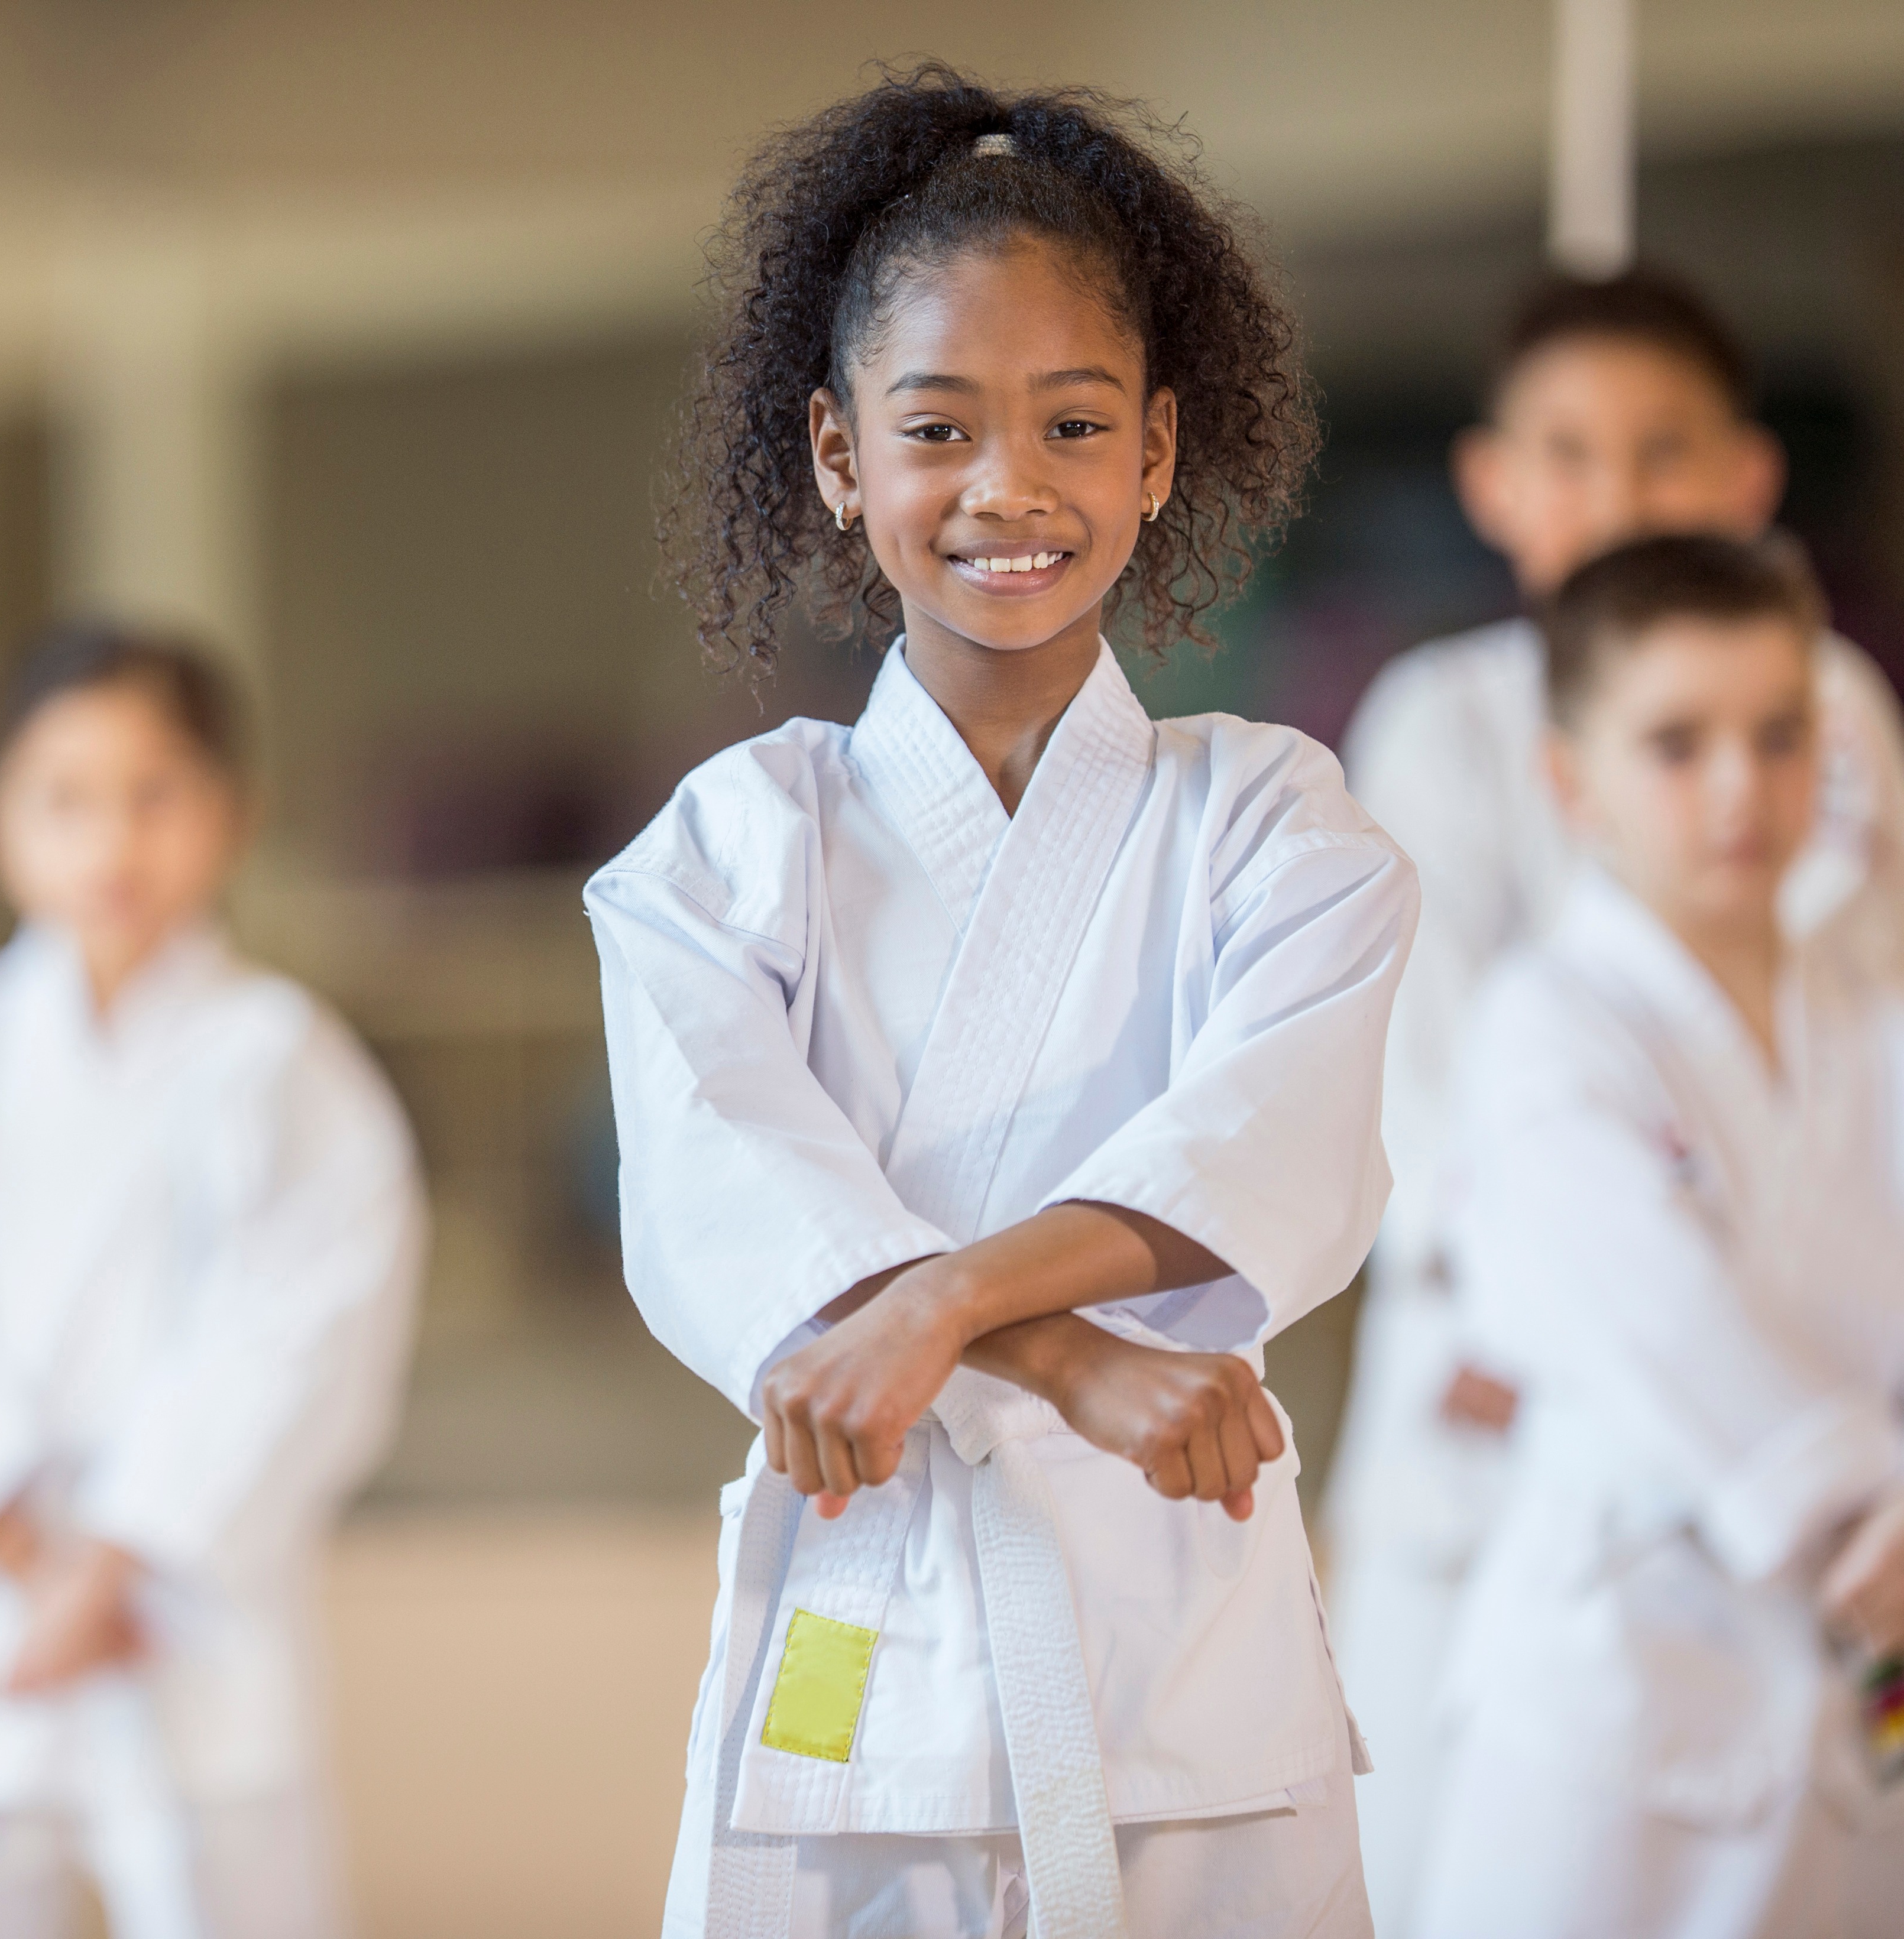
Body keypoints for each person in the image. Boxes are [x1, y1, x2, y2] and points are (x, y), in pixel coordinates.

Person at [591, 66, 1411, 1939]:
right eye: (937, 426)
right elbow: (732, 1205)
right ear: (833, 453)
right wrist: (1068, 1356)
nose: (1005, 489)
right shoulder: (728, 844)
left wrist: (950, 1298)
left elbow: (1269, 1147)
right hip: (856, 1623)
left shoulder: (1273, 818)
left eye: (1069, 423)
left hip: (1183, 1632)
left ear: (1153, 451)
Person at [1321, 269, 1904, 1932]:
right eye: (1571, 454)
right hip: (1527, 1419)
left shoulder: (1843, 708)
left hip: (1825, 1468)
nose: (1741, 786)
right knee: (1439, 1864)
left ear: (1747, 481)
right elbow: (1457, 1136)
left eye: (1664, 453)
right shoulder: (1447, 734)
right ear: (1497, 484)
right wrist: (1831, 1472)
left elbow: (1835, 1048)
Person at [0, 625, 424, 1939]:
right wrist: (25, 1547)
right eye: (63, 798)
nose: (114, 839)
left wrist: (120, 1555)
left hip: (184, 1599)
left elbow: (305, 1330)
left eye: (157, 792)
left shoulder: (283, 1063)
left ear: (232, 811)